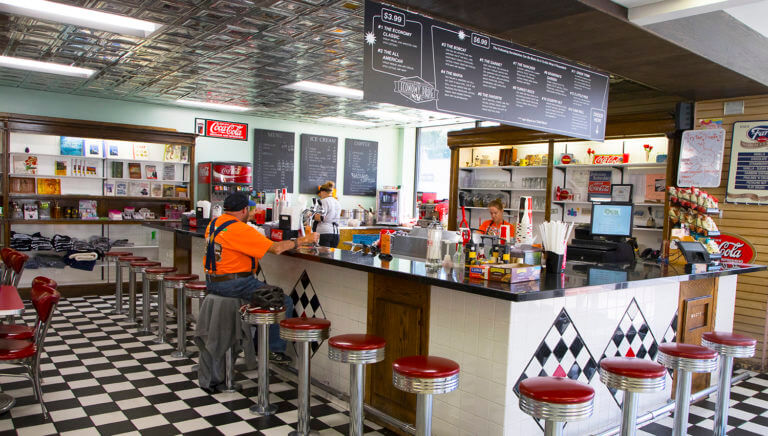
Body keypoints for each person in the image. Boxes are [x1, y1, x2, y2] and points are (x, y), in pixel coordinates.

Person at [205, 192, 318, 362]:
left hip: (212, 281)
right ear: (243, 210)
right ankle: (270, 349)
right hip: (235, 284)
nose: (251, 214)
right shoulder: (240, 229)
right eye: (250, 210)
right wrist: (302, 240)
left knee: (264, 291)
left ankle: (256, 343)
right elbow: (277, 249)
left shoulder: (214, 223)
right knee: (282, 300)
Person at [313, 181, 341, 248]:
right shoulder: (337, 202)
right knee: (331, 257)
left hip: (324, 233)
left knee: (323, 256)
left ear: (323, 192)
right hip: (336, 233)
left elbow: (320, 218)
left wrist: (311, 215)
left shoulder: (323, 201)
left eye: (320, 193)